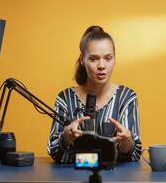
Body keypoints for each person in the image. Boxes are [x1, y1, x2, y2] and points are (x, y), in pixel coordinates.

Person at [47, 25, 142, 164]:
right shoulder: (65, 99)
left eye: (108, 58)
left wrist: (127, 142)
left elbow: (134, 155)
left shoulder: (126, 97)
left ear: (115, 59)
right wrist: (66, 137)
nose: (102, 65)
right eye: (93, 59)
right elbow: (54, 152)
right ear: (82, 60)